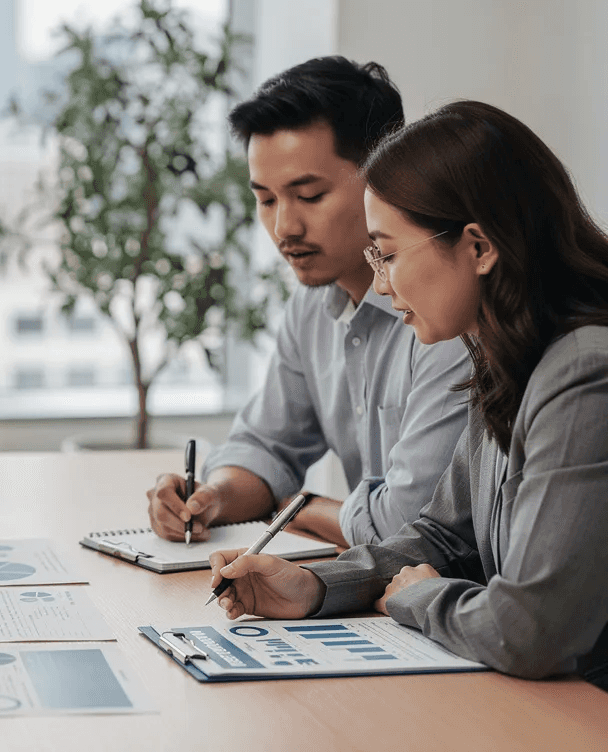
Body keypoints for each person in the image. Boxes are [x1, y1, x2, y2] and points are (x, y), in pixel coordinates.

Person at [210, 99, 608, 687]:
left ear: (478, 248)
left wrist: (421, 599)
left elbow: (531, 630)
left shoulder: (582, 374)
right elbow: (445, 535)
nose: (381, 280)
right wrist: (317, 586)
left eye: (389, 254)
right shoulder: (505, 358)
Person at [146, 57, 470, 548]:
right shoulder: (313, 307)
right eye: (267, 200)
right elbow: (265, 445)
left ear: (387, 177)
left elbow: (412, 522)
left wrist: (297, 509)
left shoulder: (448, 315)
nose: (284, 229)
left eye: (310, 195)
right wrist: (211, 496)